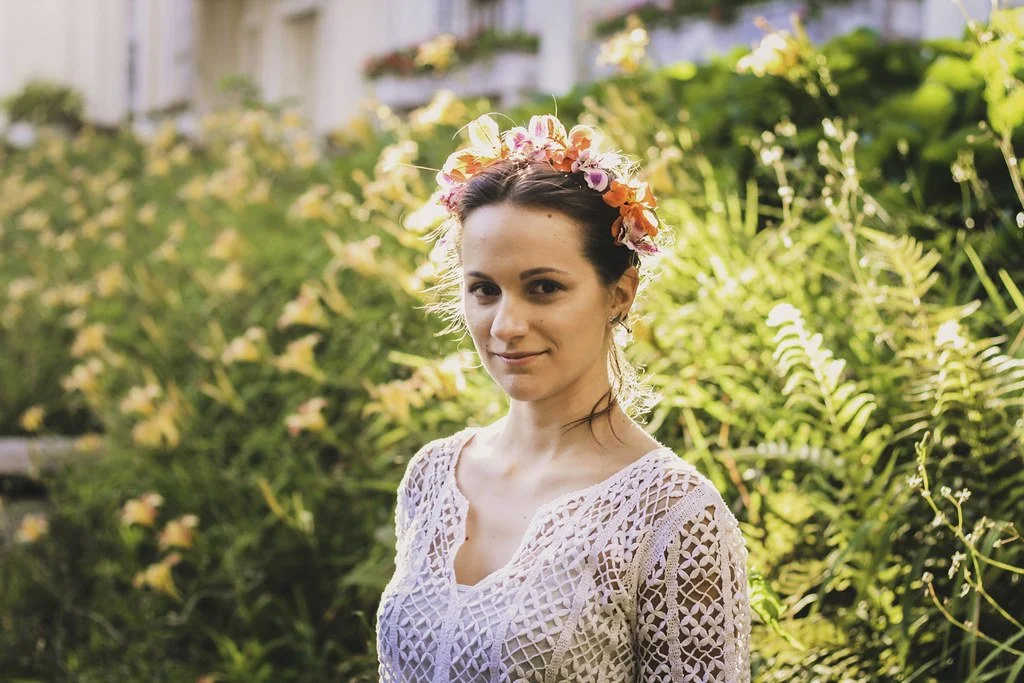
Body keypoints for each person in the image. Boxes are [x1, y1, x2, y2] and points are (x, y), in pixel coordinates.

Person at [376, 113, 751, 682]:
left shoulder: (673, 518)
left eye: (543, 288)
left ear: (618, 295)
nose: (506, 324)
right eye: (484, 289)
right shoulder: (432, 476)